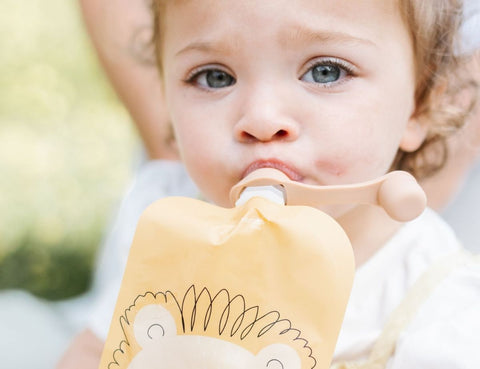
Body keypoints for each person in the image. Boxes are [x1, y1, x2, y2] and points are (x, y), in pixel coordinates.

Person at [58, 0, 480, 368]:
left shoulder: (441, 306)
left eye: (325, 71)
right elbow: (95, 349)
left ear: (420, 105)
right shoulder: (174, 228)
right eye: (214, 77)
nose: (261, 119)